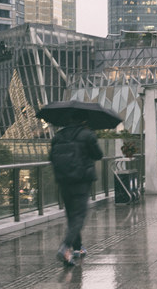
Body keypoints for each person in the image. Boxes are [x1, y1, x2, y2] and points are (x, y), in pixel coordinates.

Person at [50, 112, 103, 266]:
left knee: (72, 216)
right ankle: (66, 246)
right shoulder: (87, 135)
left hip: (64, 181)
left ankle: (76, 248)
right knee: (79, 216)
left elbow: (51, 157)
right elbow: (98, 155)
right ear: (83, 120)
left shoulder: (58, 136)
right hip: (81, 181)